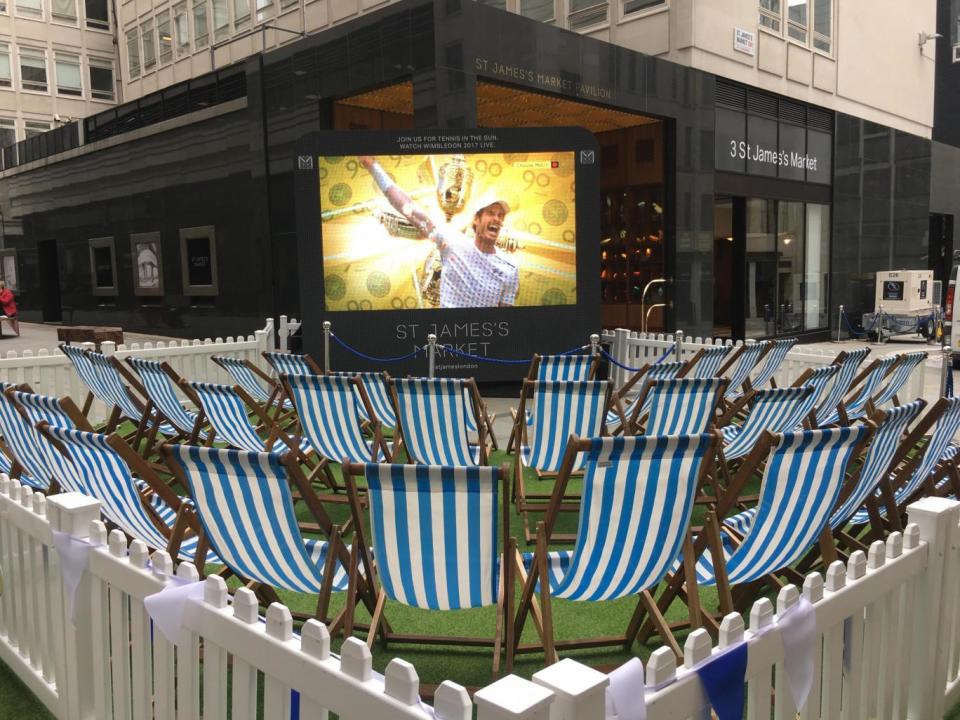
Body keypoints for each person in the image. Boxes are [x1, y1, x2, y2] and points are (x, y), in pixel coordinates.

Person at [359, 155, 520, 308]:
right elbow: (408, 208)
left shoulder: (510, 268)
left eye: (500, 216)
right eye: (491, 213)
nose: (497, 219)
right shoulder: (453, 243)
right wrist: (372, 165)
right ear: (476, 220)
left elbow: (504, 317)